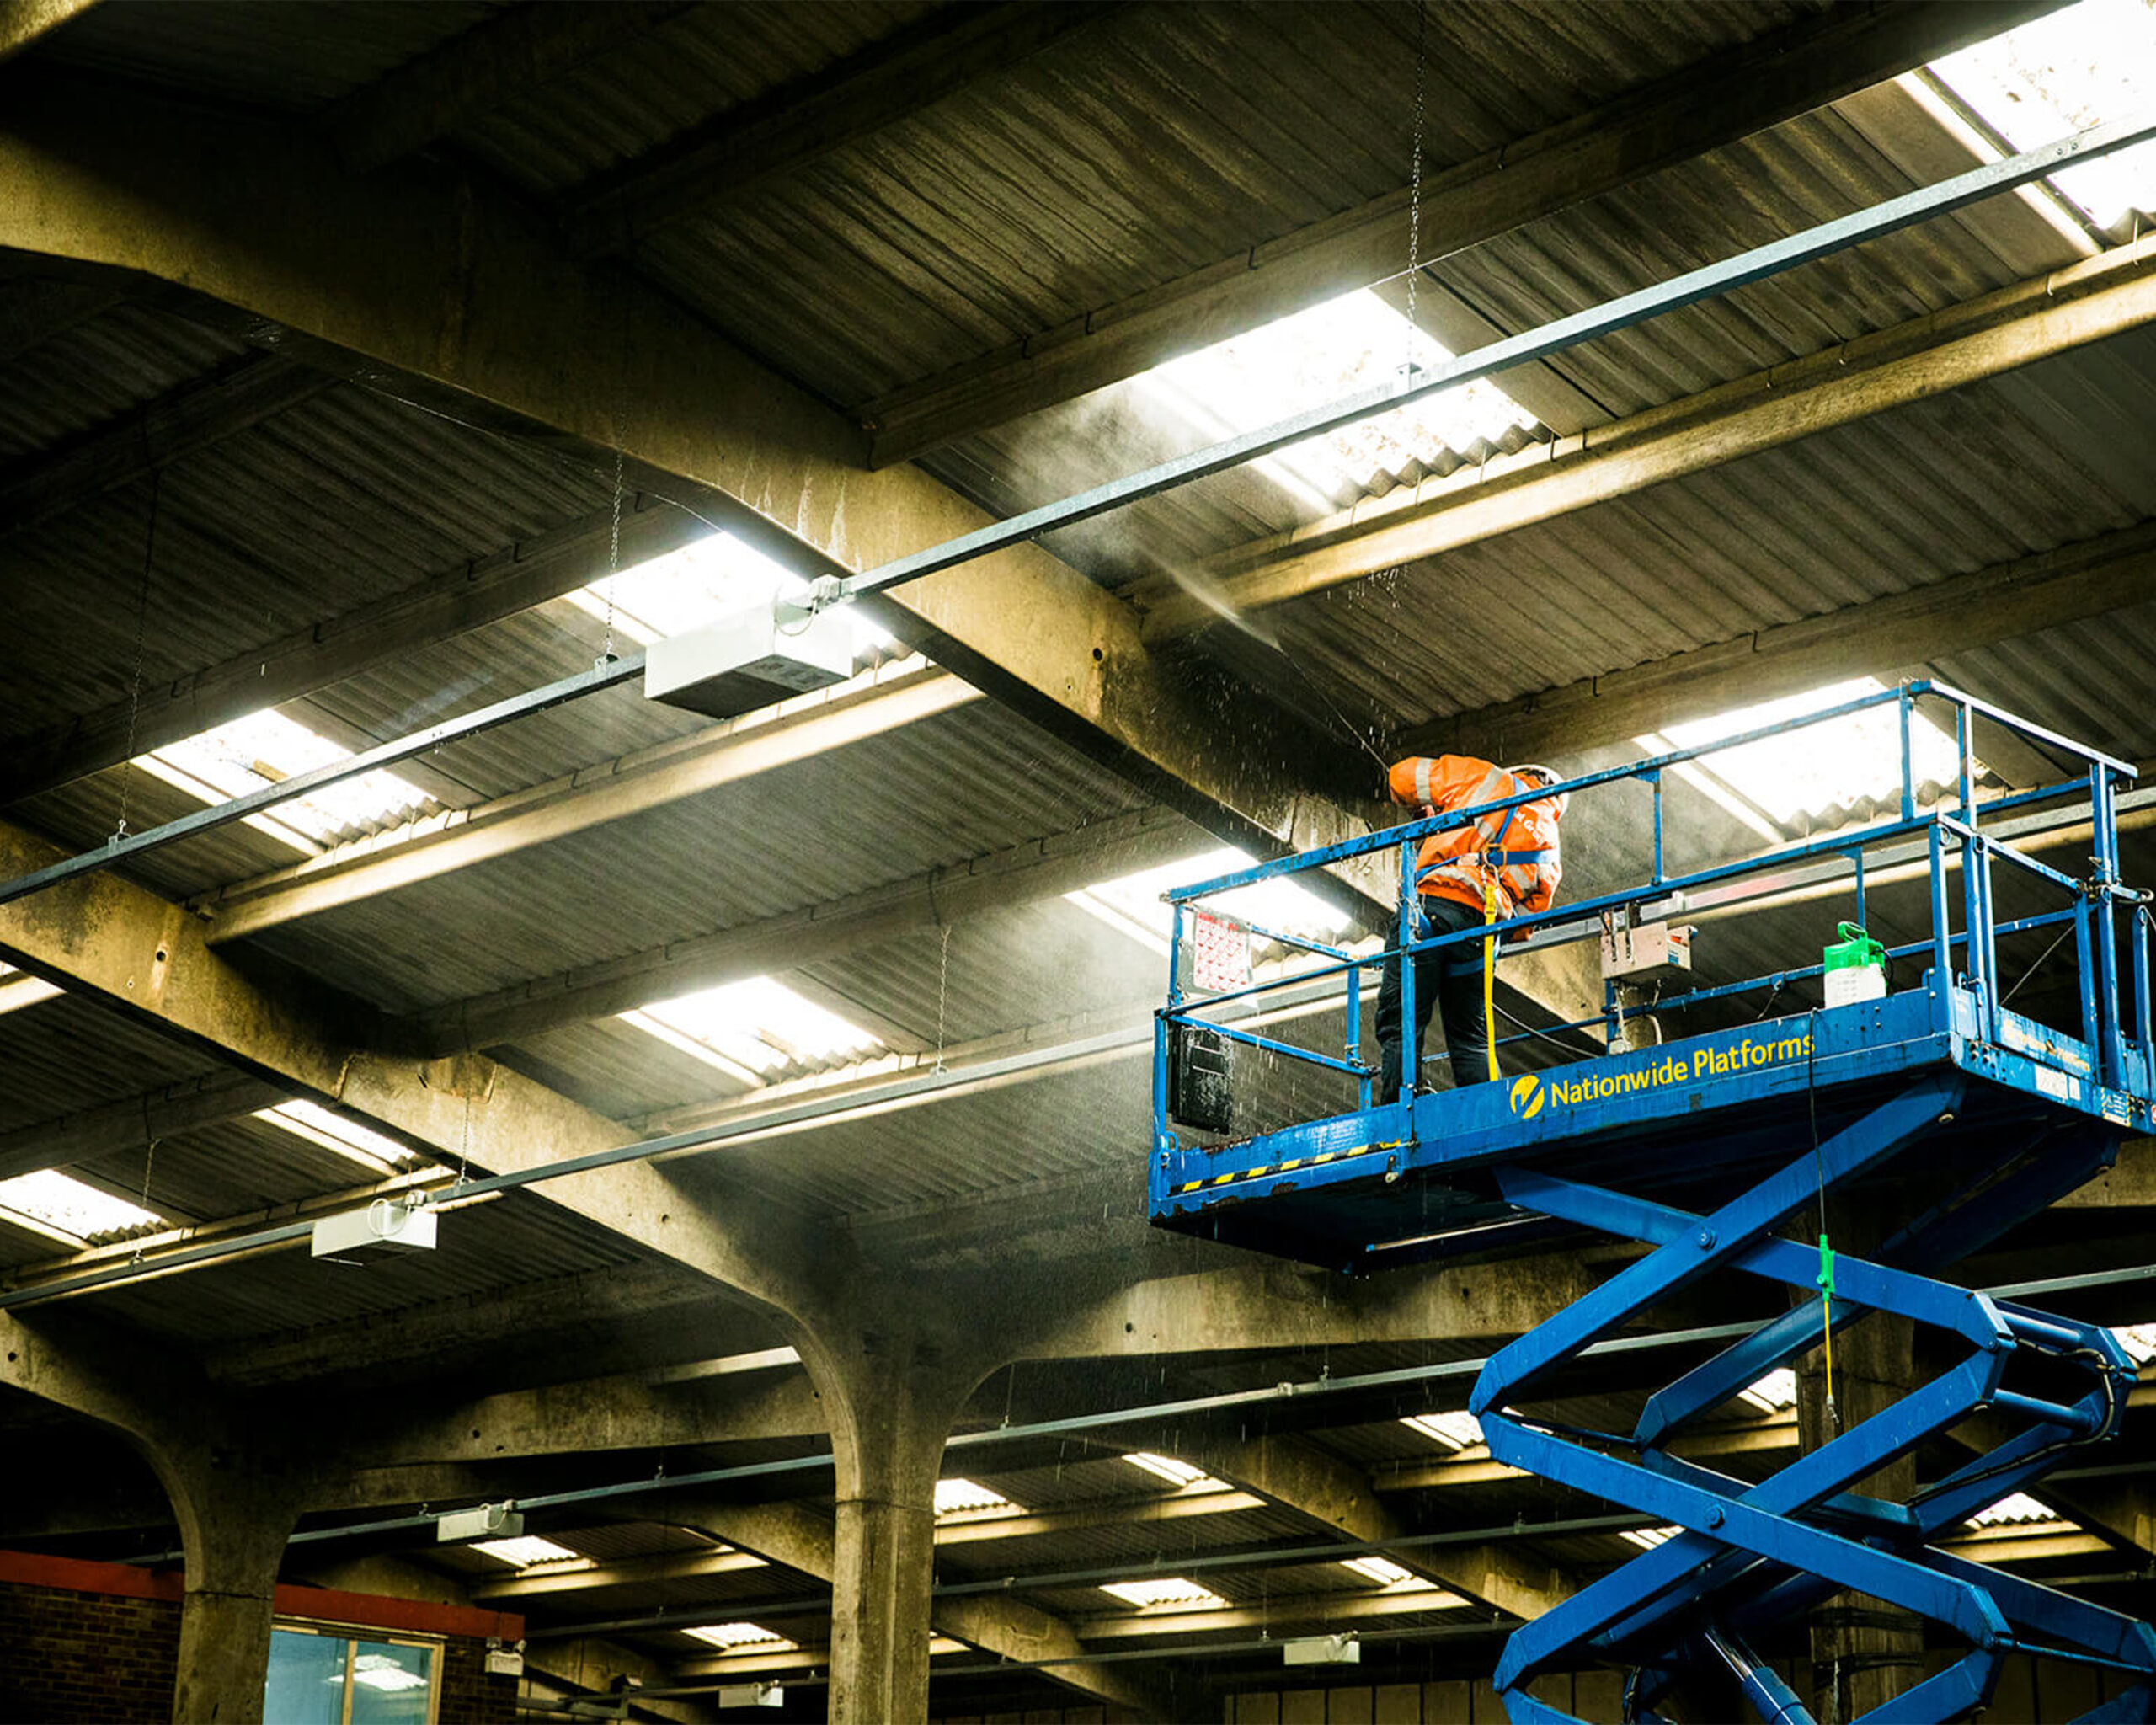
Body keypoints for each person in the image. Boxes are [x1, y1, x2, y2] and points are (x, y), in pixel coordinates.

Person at [1374, 756, 1566, 1096]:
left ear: (1522, 773)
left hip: (1428, 912)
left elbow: (1400, 777)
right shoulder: (1551, 849)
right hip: (1480, 934)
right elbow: (1524, 925)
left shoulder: (1485, 778)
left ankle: (1401, 1106)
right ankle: (1485, 1111)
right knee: (1471, 1039)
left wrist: (1436, 812)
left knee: (1401, 1021)